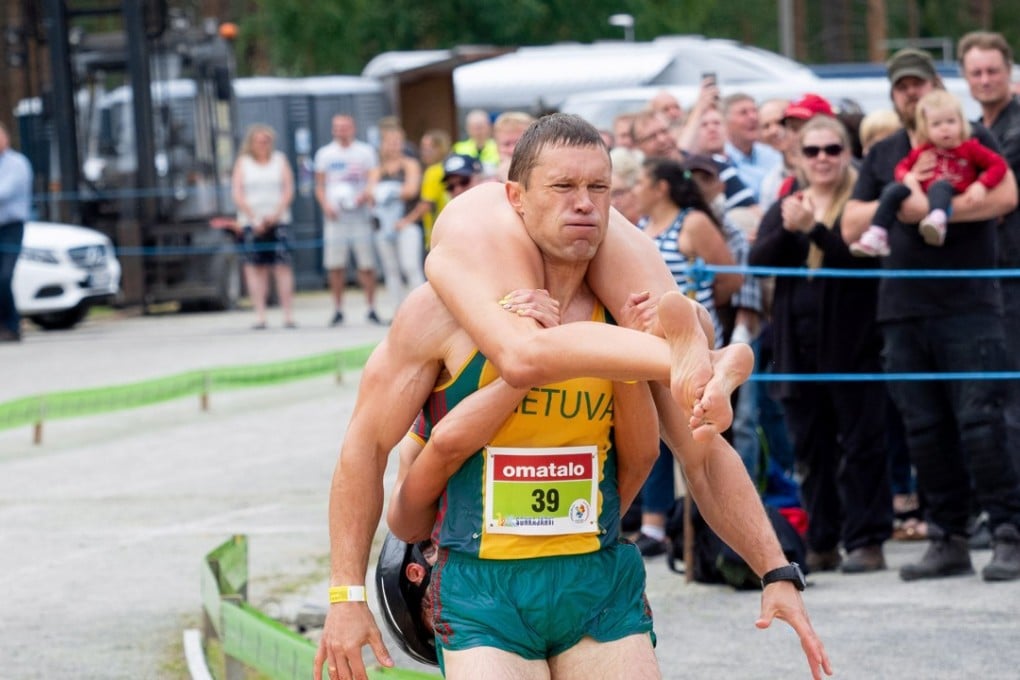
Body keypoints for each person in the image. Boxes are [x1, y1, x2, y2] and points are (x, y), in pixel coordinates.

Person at [315, 114, 830, 680]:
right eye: (563, 188)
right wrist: (345, 595)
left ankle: (715, 360)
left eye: (598, 188)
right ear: (516, 197)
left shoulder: (633, 320)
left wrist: (775, 571)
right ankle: (720, 358)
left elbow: (703, 454)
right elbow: (364, 447)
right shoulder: (444, 312)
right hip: (484, 591)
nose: (583, 204)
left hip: (596, 582)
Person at [842, 47, 1020, 582]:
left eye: (919, 84)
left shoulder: (970, 138)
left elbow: (1007, 194)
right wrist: (898, 207)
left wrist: (938, 209)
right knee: (923, 428)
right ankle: (948, 537)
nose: (911, 94)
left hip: (970, 305)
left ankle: (1009, 532)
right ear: (894, 96)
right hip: (902, 309)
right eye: (902, 87)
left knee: (982, 420)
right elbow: (851, 221)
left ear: (935, 88)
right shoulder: (884, 152)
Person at [749, 115, 894, 573]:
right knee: (811, 452)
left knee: (863, 446)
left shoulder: (863, 201)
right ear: (799, 157)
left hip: (854, 346)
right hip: (798, 349)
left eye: (832, 149)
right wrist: (794, 229)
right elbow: (758, 261)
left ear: (848, 151)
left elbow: (862, 267)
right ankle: (823, 541)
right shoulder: (790, 201)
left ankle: (867, 540)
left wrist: (815, 231)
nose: (823, 159)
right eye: (812, 151)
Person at [628, 156, 742, 556]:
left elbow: (729, 276)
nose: (635, 189)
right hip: (651, 347)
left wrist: (700, 315)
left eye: (640, 180)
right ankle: (655, 525)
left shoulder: (692, 222)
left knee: (700, 439)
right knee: (653, 436)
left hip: (693, 346)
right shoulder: (641, 229)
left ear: (661, 187)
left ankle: (716, 533)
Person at [959, 30, 1020, 481]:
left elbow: (996, 199)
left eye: (992, 71)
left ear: (1009, 71)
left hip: (1012, 275)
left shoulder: (1013, 130)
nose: (985, 79)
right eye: (976, 72)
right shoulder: (973, 131)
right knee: (989, 395)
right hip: (984, 278)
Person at [850, 90, 1008, 257]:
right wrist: (910, 177)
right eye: (936, 124)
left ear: (962, 123)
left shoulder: (970, 148)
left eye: (951, 121)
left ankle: (937, 219)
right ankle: (877, 233)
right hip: (921, 191)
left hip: (951, 189)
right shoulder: (923, 151)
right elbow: (901, 168)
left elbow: (998, 165)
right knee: (892, 190)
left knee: (940, 186)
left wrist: (982, 184)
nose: (945, 128)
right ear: (925, 129)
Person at [314, 114, 382, 327]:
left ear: (352, 128)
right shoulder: (325, 154)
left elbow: (373, 177)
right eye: (337, 127)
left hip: (360, 216)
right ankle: (338, 309)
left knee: (366, 264)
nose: (341, 130)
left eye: (345, 127)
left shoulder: (365, 152)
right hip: (336, 218)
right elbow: (320, 185)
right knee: (335, 265)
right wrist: (326, 205)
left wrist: (366, 194)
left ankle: (371, 308)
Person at [230, 123, 296, 329]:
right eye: (259, 140)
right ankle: (260, 315)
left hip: (279, 221)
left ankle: (288, 315)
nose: (263, 144)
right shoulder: (243, 162)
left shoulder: (280, 160)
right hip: (251, 223)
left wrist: (274, 216)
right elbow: (237, 194)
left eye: (266, 140)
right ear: (251, 142)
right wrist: (255, 218)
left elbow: (288, 189)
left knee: (282, 267)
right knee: (255, 268)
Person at [366, 124, 424, 314]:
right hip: (383, 226)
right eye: (389, 143)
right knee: (391, 270)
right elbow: (370, 194)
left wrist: (386, 192)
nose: (393, 147)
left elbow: (411, 190)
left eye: (397, 142)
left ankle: (421, 310)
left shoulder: (410, 165)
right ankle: (398, 312)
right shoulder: (377, 170)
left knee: (410, 267)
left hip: (406, 223)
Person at [0, 121, 33, 343]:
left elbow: (4, 192)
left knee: (4, 278)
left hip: (11, 228)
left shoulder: (17, 163)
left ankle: (12, 324)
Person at [722, 93, 784, 202]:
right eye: (743, 113)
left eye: (755, 111)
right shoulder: (721, 159)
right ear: (725, 122)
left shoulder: (771, 154)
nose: (753, 117)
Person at [401, 129, 451, 251]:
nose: (424, 152)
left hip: (438, 236)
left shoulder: (433, 172)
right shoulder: (448, 167)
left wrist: (405, 221)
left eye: (429, 148)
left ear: (440, 148)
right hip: (450, 231)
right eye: (422, 147)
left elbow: (426, 204)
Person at [452, 109, 500, 175]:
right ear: (467, 129)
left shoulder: (499, 146)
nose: (478, 132)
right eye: (474, 128)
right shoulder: (458, 148)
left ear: (489, 127)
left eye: (481, 127)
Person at [492, 111, 536, 182]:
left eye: (518, 143)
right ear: (497, 147)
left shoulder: (548, 176)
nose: (513, 150)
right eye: (506, 144)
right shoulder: (487, 183)